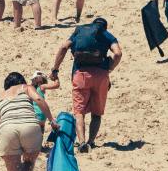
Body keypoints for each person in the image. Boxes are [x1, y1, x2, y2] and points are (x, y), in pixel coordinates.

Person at [50, 17, 123, 152]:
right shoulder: (105, 34)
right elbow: (118, 53)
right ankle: (91, 141)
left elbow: (64, 47)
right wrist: (110, 68)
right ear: (104, 26)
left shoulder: (79, 31)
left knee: (79, 112)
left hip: (80, 75)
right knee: (97, 113)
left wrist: (55, 69)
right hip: (101, 76)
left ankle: (82, 142)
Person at [0, 72, 53, 171]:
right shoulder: (26, 87)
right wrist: (51, 119)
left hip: (7, 129)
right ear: (22, 81)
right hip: (29, 126)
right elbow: (39, 99)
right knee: (29, 162)